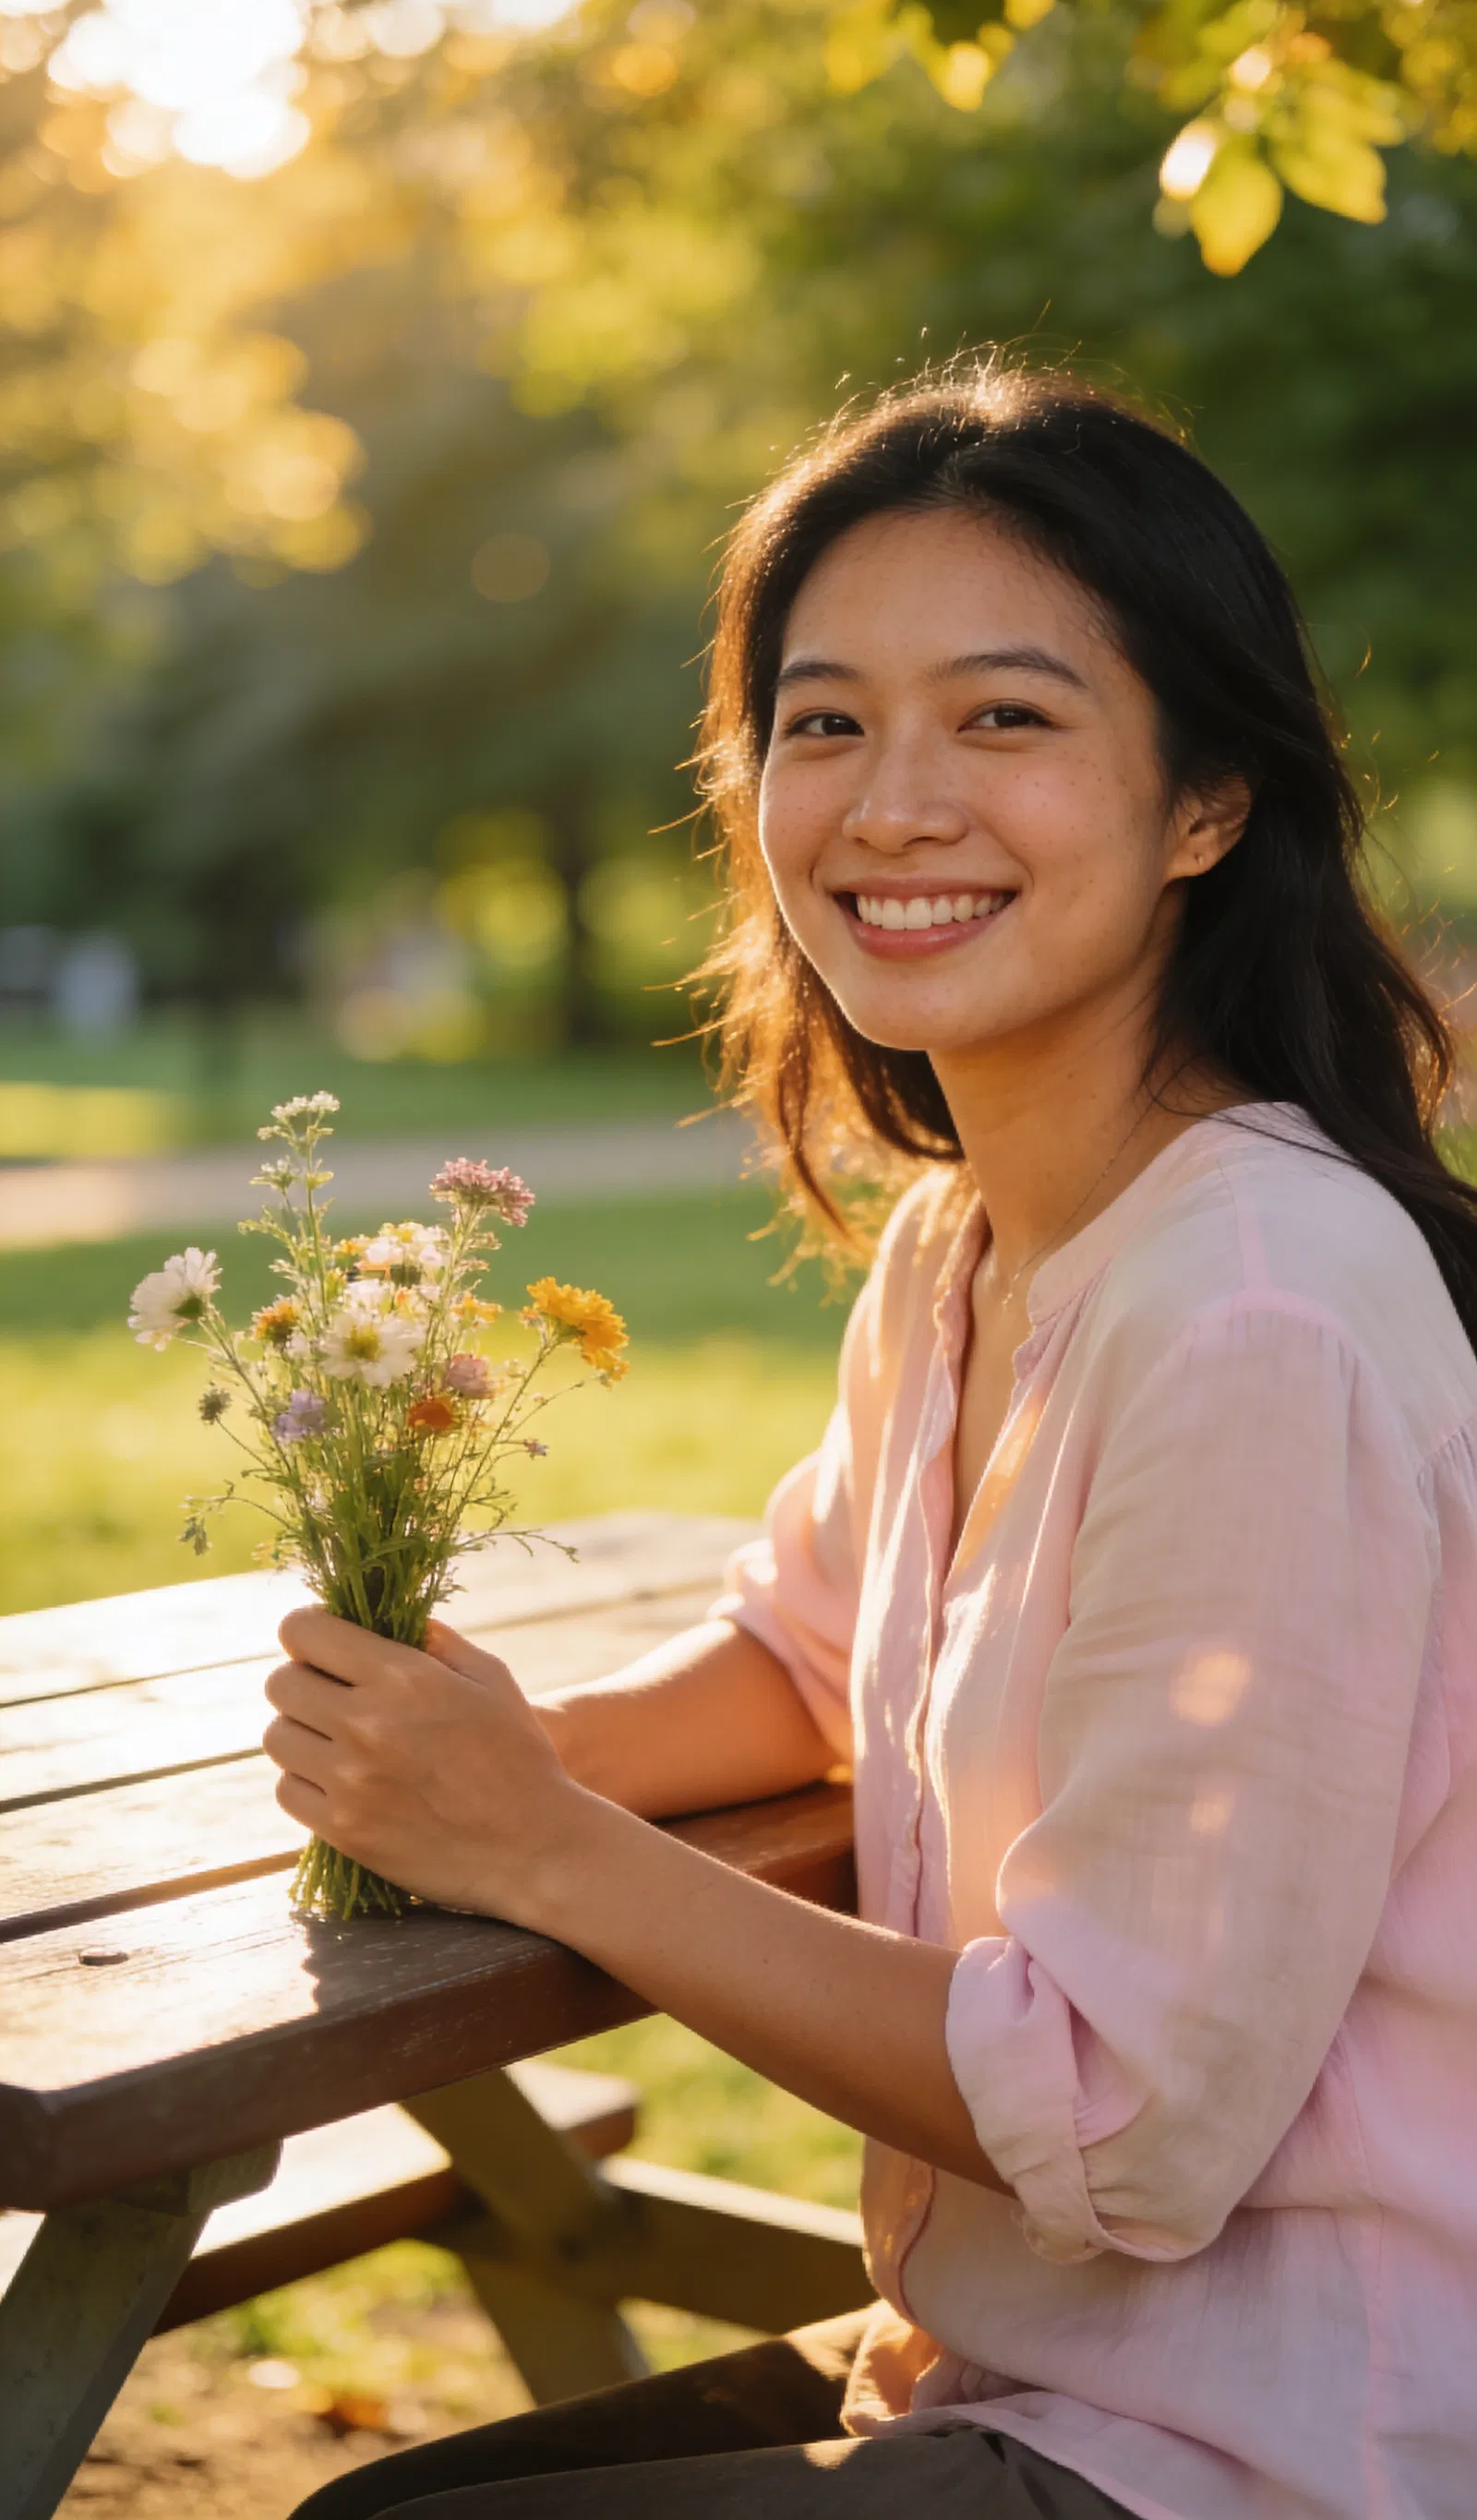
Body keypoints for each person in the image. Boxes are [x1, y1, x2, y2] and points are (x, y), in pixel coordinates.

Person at [269, 368, 1477, 2520]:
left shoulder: (1256, 1317)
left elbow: (1118, 2125)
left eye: (1001, 720)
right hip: (1007, 2362)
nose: (887, 804)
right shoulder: (961, 1248)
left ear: (1204, 801)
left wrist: (542, 1851)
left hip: (1285, 2442)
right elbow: (814, 1659)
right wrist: (478, 1755)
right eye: (821, 724)